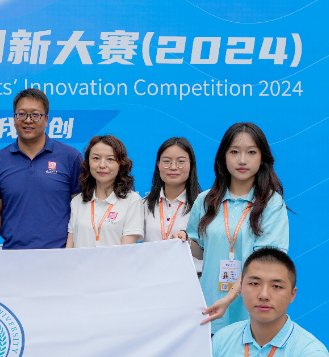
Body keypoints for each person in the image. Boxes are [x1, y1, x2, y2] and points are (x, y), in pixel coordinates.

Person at [176, 122, 289, 333]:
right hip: (210, 309)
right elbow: (201, 251)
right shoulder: (205, 200)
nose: (242, 160)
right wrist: (184, 240)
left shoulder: (272, 204)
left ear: (262, 158)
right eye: (234, 152)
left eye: (251, 152)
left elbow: (263, 263)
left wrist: (229, 298)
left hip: (251, 311)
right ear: (223, 157)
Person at [0, 88, 82, 249]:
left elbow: (80, 211)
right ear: (14, 118)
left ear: (46, 119)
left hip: (60, 255)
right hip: (13, 255)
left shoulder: (70, 157)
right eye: (21, 114)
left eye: (36, 114)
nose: (28, 120)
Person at [66, 135, 143, 248]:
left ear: (121, 164)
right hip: (80, 261)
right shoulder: (78, 201)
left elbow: (126, 251)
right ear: (88, 163)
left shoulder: (132, 201)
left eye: (110, 159)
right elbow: (70, 248)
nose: (102, 165)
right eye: (96, 158)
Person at [142, 136, 203, 273]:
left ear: (191, 164)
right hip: (151, 278)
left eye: (181, 161)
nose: (173, 167)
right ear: (158, 165)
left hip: (192, 279)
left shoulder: (204, 204)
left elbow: (209, 250)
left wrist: (187, 241)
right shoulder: (143, 204)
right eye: (166, 161)